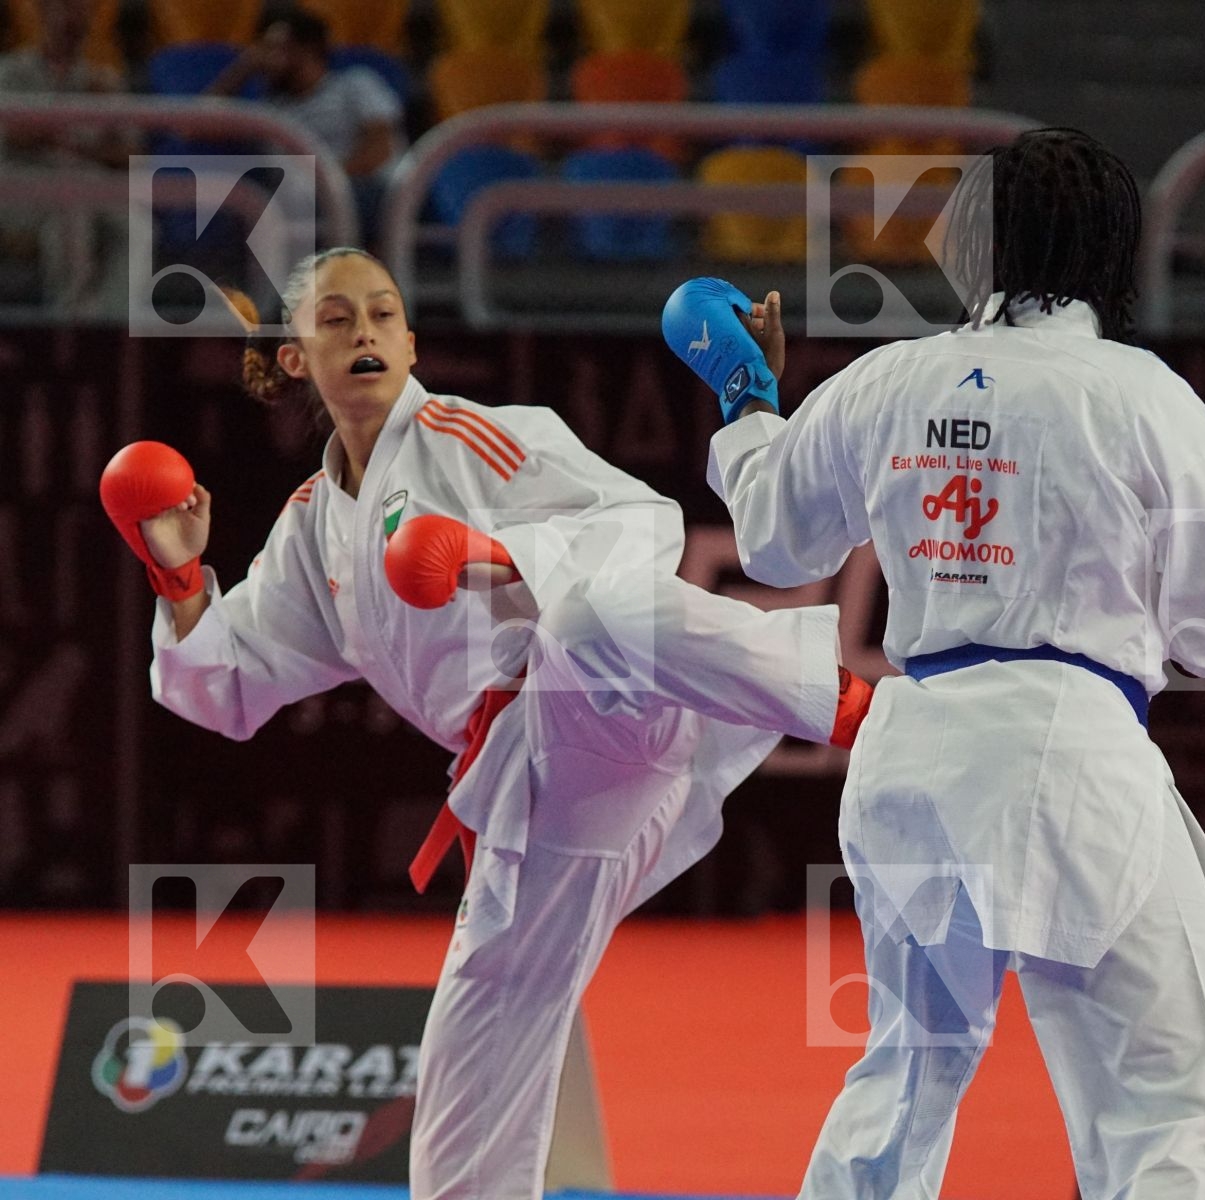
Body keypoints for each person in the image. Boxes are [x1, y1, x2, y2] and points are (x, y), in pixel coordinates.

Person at [99, 247, 872, 1200]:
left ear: (413, 340)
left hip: (608, 704)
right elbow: (228, 685)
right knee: (472, 1072)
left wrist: (496, 553)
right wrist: (178, 579)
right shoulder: (313, 526)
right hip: (533, 798)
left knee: (593, 612)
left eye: (384, 314)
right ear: (296, 358)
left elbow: (640, 525)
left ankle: (852, 709)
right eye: (337, 320)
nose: (366, 333)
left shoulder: (468, 436)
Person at [662, 128, 1205, 1198]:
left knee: (908, 1075)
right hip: (1068, 755)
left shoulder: (890, 378)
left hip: (915, 752)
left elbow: (772, 541)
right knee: (1176, 1099)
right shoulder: (1139, 395)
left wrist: (746, 397)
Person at [209, 8, 404, 243]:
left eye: (273, 48)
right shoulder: (269, 111)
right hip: (295, 200)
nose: (264, 57)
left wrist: (325, 186)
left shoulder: (355, 84)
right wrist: (242, 68)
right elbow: (194, 126)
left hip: (362, 189)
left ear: (306, 50)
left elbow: (379, 151)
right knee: (243, 198)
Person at [0, 0, 132, 314]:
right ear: (43, 12)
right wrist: (79, 131)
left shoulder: (103, 82)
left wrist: (61, 137)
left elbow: (130, 154)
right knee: (71, 211)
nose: (73, 17)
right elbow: (16, 136)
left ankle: (118, 324)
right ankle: (73, 322)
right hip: (23, 189)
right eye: (65, 7)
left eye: (82, 9)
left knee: (136, 224)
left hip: (88, 185)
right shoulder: (11, 71)